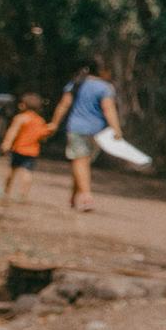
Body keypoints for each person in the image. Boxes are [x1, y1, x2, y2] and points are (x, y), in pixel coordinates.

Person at [46, 58, 119, 214]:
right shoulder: (105, 87)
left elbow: (63, 104)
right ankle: (84, 197)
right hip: (97, 131)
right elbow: (109, 109)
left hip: (76, 127)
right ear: (102, 71)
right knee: (83, 162)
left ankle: (80, 196)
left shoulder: (76, 83)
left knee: (80, 163)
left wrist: (54, 123)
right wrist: (116, 129)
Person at [0, 94, 52, 208]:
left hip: (19, 149)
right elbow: (42, 136)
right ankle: (22, 194)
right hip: (32, 151)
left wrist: (6, 143)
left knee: (11, 171)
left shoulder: (20, 118)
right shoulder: (40, 120)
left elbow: (13, 131)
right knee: (27, 173)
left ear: (23, 106)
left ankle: (5, 191)